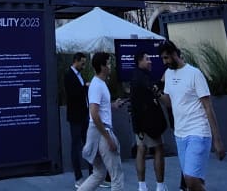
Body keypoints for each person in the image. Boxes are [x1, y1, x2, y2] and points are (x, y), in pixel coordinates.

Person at [158, 41, 225, 191]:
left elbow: (208, 107)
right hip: (180, 134)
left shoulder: (194, 73)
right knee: (195, 181)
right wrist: (157, 94)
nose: (165, 62)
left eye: (167, 58)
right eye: (163, 59)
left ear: (175, 54)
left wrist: (218, 140)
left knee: (190, 178)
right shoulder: (168, 74)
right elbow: (169, 102)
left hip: (198, 131)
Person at [79, 51, 125, 191]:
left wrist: (113, 105)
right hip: (102, 133)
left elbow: (98, 108)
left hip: (96, 134)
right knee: (117, 176)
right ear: (102, 66)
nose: (110, 66)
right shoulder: (97, 85)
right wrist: (108, 138)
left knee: (98, 173)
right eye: (109, 63)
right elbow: (94, 113)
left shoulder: (97, 84)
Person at [130, 50, 167, 191]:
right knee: (158, 149)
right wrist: (161, 83)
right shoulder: (143, 77)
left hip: (140, 123)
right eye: (147, 59)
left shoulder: (136, 76)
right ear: (140, 61)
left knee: (141, 150)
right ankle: (160, 186)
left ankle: (142, 186)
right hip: (150, 122)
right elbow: (152, 90)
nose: (150, 61)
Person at [65, 51, 94, 188]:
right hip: (76, 117)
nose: (84, 65)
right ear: (75, 61)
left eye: (85, 62)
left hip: (84, 115)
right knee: (76, 146)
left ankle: (93, 173)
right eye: (82, 63)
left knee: (88, 143)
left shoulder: (79, 75)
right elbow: (73, 94)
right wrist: (85, 87)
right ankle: (78, 177)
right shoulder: (69, 75)